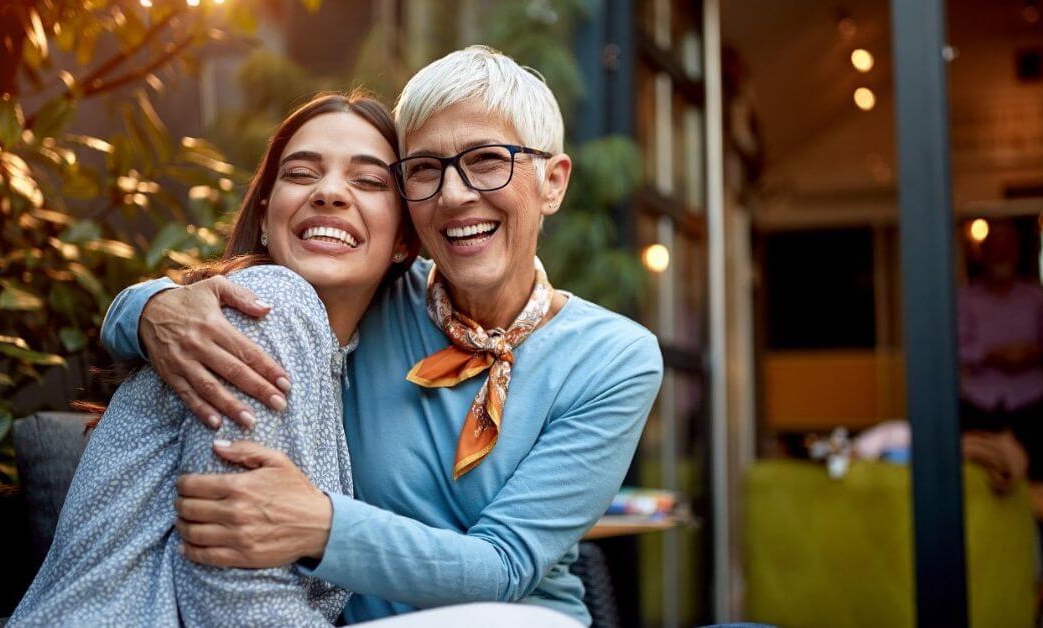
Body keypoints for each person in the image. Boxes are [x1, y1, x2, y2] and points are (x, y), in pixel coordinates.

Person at [101, 46, 663, 625]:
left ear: (553, 182)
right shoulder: (371, 295)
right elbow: (250, 295)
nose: (453, 195)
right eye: (423, 169)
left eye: (488, 160)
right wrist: (149, 308)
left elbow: (505, 566)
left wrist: (319, 524)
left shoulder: (614, 358)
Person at [9, 92, 419, 626]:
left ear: (405, 240)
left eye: (368, 181)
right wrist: (140, 308)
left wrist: (137, 306)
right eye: (301, 173)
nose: (330, 192)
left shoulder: (347, 355)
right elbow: (233, 596)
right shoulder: (271, 304)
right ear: (266, 214)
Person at [958, 219, 1043, 480]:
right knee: (979, 479)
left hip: (1030, 402)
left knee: (1037, 479)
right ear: (983, 253)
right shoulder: (965, 299)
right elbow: (955, 350)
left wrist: (1031, 354)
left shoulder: (1037, 298)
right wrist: (991, 355)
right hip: (980, 404)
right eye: (995, 247)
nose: (1001, 254)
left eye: (1007, 247)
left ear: (1017, 252)